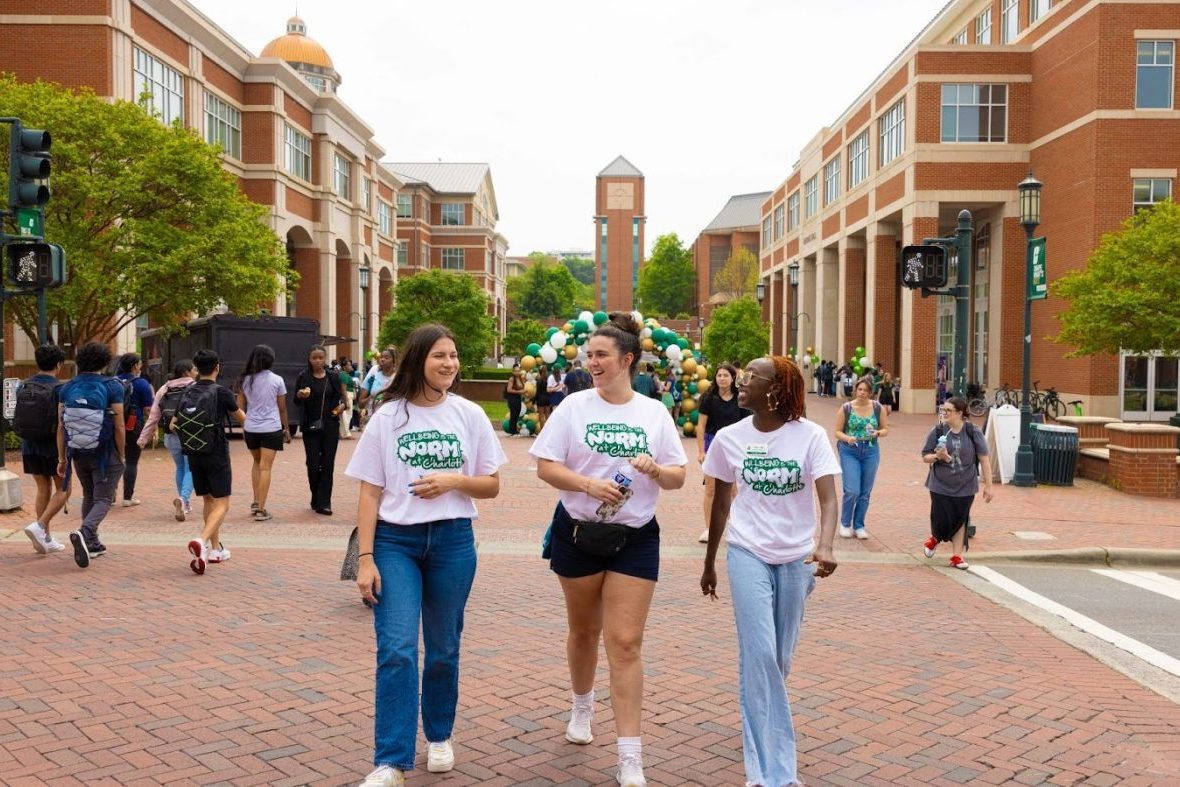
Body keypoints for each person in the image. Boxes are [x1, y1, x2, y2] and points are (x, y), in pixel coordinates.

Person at [530, 313, 687, 787]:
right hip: (578, 534)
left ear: (627, 360)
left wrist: (656, 470)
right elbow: (544, 466)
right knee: (583, 631)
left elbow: (679, 475)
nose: (591, 362)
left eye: (601, 355)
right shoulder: (574, 406)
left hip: (635, 538)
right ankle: (582, 706)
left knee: (624, 642)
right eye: (589, 355)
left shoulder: (653, 412)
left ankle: (630, 756)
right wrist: (587, 485)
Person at [348, 324, 507, 787]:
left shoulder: (470, 414)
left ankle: (439, 734)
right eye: (441, 356)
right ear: (419, 359)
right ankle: (391, 760)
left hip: (453, 541)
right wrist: (365, 558)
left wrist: (453, 480)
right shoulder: (388, 417)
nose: (450, 364)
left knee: (443, 647)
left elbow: (492, 485)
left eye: (454, 356)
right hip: (396, 542)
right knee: (396, 647)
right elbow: (370, 491)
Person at [699, 355, 840, 787]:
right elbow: (721, 503)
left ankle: (761, 729)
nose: (741, 384)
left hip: (797, 557)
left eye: (751, 379)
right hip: (747, 551)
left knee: (777, 660)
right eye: (741, 378)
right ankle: (772, 772)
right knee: (759, 654)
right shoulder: (728, 438)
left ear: (776, 388)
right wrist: (709, 563)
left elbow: (830, 499)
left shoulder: (810, 437)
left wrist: (826, 544)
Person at [176, 348, 245, 574]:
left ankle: (214, 549)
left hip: (193, 452)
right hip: (215, 451)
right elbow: (241, 419)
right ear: (217, 367)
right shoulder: (221, 392)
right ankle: (202, 540)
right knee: (223, 503)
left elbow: (175, 421)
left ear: (197, 369)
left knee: (208, 500)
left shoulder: (187, 392)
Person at [58, 341, 125, 568]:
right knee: (104, 497)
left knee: (89, 493)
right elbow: (119, 425)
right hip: (105, 452)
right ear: (105, 361)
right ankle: (84, 531)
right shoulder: (113, 386)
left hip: (77, 450)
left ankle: (92, 542)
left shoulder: (67, 387)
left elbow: (60, 426)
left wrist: (62, 457)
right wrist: (121, 454)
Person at [921, 396, 994, 569]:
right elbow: (925, 456)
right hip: (940, 484)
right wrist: (937, 456)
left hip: (966, 485)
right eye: (943, 410)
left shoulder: (972, 431)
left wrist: (989, 486)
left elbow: (984, 459)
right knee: (940, 517)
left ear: (960, 413)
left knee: (960, 519)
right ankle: (935, 538)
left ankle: (956, 556)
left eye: (948, 410)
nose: (944, 413)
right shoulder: (938, 431)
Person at [16, 344, 68, 554]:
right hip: (53, 447)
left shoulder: (23, 386)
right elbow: (62, 423)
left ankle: (45, 537)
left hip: (29, 444)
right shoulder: (60, 388)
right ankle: (40, 528)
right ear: (58, 364)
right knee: (64, 489)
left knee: (42, 489)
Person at [138, 359, 199, 522]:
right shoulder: (194, 387)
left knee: (180, 467)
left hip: (171, 435)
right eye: (194, 369)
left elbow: (153, 416)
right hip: (190, 434)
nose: (196, 372)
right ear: (186, 372)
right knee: (190, 468)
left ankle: (184, 503)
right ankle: (184, 499)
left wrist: (143, 437)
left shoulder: (164, 388)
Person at [237, 344, 291, 522]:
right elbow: (282, 408)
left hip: (251, 427)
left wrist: (245, 425)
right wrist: (286, 429)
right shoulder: (277, 380)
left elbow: (239, 407)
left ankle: (255, 501)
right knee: (266, 467)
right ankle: (261, 508)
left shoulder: (245, 380)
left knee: (256, 461)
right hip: (271, 427)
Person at [695, 363, 747, 544]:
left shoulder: (740, 399)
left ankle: (738, 526)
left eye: (726, 375)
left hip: (734, 448)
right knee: (710, 489)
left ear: (733, 378)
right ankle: (709, 529)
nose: (722, 378)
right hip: (712, 445)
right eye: (719, 375)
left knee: (733, 489)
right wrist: (701, 451)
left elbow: (747, 426)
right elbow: (700, 426)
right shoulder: (708, 398)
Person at [835, 377, 889, 539]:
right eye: (860, 389)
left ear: (870, 392)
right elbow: (837, 431)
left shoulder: (877, 408)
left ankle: (859, 525)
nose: (862, 393)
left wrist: (878, 433)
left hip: (871, 450)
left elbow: (885, 429)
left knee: (865, 491)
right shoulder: (846, 408)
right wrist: (847, 438)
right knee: (852, 490)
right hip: (850, 450)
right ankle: (845, 524)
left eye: (866, 390)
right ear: (855, 390)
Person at [295, 345, 346, 515]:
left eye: (320, 358)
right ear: (309, 360)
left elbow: (342, 400)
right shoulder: (303, 377)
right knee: (313, 464)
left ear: (325, 359)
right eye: (314, 358)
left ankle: (324, 502)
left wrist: (341, 407)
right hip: (310, 427)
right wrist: (300, 395)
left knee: (327, 464)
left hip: (330, 425)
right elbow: (295, 400)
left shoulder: (333, 377)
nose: (317, 361)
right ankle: (316, 496)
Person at [115, 352, 154, 507]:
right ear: (135, 366)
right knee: (131, 462)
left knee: (113, 460)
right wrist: (152, 428)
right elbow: (147, 409)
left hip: (112, 424)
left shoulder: (113, 381)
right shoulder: (142, 384)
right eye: (139, 363)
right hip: (133, 425)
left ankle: (109, 496)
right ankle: (127, 497)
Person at [358, 347, 397, 422]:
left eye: (386, 358)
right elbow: (360, 404)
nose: (382, 359)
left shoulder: (399, 377)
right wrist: (371, 397)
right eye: (381, 357)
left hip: (392, 420)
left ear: (394, 361)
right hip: (373, 419)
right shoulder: (374, 372)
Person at [504, 364, 526, 437]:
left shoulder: (520, 378)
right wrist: (519, 392)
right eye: (516, 371)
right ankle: (512, 431)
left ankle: (515, 430)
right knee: (513, 414)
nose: (517, 372)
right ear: (513, 372)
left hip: (518, 398)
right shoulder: (512, 379)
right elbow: (509, 390)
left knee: (517, 414)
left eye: (518, 371)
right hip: (512, 398)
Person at [339, 360, 358, 439]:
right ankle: (346, 434)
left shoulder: (346, 375)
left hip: (349, 396)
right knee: (346, 416)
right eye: (349, 365)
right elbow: (343, 388)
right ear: (344, 367)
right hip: (347, 396)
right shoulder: (344, 375)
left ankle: (344, 433)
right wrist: (346, 400)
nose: (351, 367)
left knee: (346, 416)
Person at [534, 363, 552, 427]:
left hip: (540, 399)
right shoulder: (548, 380)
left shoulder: (538, 381)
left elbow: (537, 392)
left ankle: (542, 432)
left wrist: (534, 401)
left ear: (540, 372)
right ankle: (548, 430)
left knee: (541, 416)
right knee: (547, 415)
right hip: (547, 398)